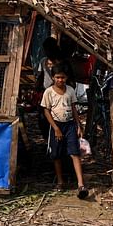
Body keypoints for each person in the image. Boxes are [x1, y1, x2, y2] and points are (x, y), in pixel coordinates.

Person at [41, 63, 88, 199]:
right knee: (56, 154)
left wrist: (78, 125)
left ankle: (81, 184)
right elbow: (46, 111)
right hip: (56, 125)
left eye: (62, 77)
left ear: (66, 78)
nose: (60, 80)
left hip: (70, 125)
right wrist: (55, 128)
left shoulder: (70, 90)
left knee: (75, 153)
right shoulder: (48, 92)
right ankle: (60, 181)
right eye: (57, 77)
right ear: (53, 78)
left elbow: (74, 108)